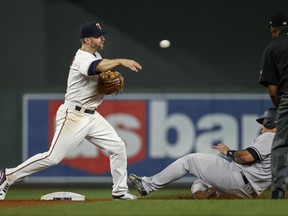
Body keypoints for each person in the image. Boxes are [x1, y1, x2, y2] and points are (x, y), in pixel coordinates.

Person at [0, 21, 142, 200]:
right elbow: (93, 67)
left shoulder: (95, 54)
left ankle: (120, 191)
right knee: (53, 157)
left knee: (118, 147)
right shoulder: (82, 57)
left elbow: (97, 68)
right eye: (99, 36)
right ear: (87, 40)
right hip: (73, 115)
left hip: (91, 116)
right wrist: (121, 61)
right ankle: (7, 175)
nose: (103, 38)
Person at [129, 108, 277, 199]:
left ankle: (147, 185)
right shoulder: (282, 144)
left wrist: (227, 151)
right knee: (200, 184)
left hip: (238, 179)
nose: (261, 128)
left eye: (264, 123)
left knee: (190, 161)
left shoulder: (269, 137)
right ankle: (209, 195)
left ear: (271, 123)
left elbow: (245, 157)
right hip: (249, 192)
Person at [258, 10, 288, 199]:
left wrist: (280, 107)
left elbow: (272, 89)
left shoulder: (273, 48)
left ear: (274, 30)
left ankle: (277, 191)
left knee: (280, 144)